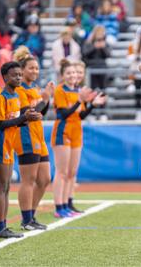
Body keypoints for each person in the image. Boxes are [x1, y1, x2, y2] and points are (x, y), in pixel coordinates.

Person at [0, 61, 41, 238]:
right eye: (14, 75)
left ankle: (3, 225)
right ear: (4, 77)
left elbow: (16, 121)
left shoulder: (16, 96)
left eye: (19, 74)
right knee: (0, 187)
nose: (18, 77)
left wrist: (29, 118)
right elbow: (0, 124)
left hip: (9, 144)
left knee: (7, 187)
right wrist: (22, 119)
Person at [51, 59, 100, 218]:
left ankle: (66, 205)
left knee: (72, 172)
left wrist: (92, 104)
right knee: (62, 171)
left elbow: (81, 115)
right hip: (63, 131)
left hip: (76, 132)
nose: (73, 75)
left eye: (74, 72)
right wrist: (80, 100)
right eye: (69, 73)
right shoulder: (60, 90)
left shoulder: (78, 91)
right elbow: (64, 114)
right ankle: (59, 206)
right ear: (63, 75)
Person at [13, 46, 55, 230]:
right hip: (25, 136)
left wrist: (46, 100)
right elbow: (26, 113)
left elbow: (41, 112)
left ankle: (31, 214)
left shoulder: (35, 88)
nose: (35, 71)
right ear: (21, 70)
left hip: (38, 135)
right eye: (31, 68)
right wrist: (44, 100)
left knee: (44, 179)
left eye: (37, 68)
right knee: (28, 180)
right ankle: (26, 219)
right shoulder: (19, 89)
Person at [82, 25, 111, 90]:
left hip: (102, 67)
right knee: (92, 89)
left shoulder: (105, 43)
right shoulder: (88, 42)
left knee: (103, 89)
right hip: (91, 67)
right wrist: (94, 47)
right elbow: (85, 54)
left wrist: (103, 48)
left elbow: (108, 55)